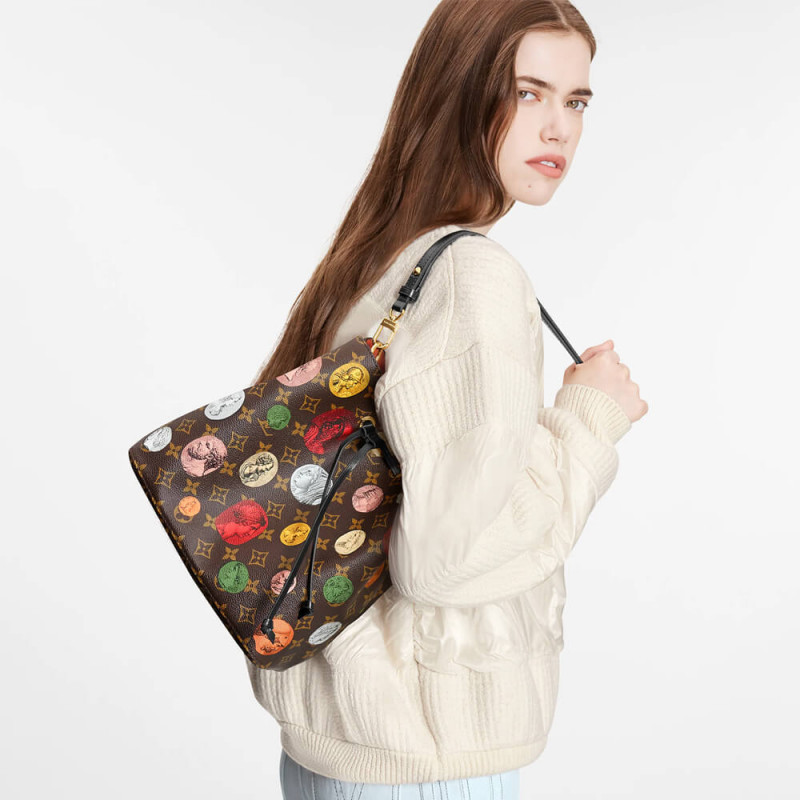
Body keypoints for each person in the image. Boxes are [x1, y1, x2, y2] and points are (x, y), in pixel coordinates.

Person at [246, 1, 648, 797]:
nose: (559, 128)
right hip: (429, 766)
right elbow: (447, 560)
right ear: (459, 92)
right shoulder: (471, 275)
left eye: (576, 101)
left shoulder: (377, 258)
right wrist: (588, 420)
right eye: (527, 93)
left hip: (342, 753)